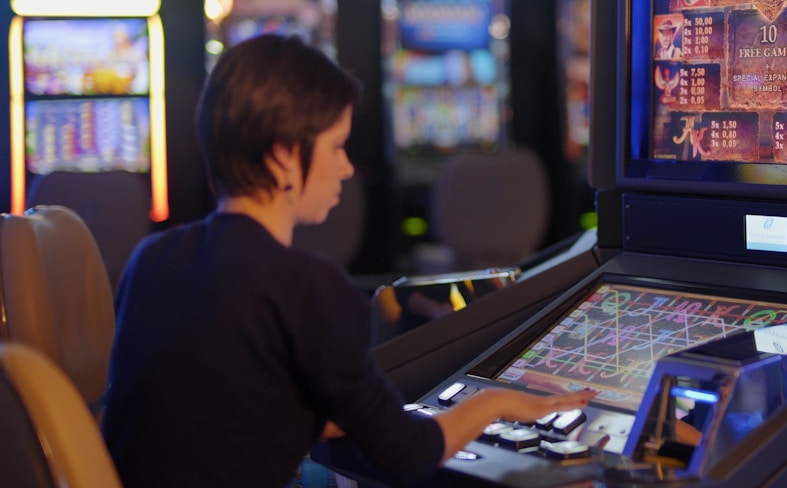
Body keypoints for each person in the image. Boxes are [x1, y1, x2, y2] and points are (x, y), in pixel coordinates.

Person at [100, 34, 596, 488]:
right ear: (282, 157)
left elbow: (211, 413)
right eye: (336, 146)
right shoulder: (306, 287)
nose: (346, 167)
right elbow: (406, 455)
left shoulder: (153, 258)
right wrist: (498, 401)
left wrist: (310, 415)